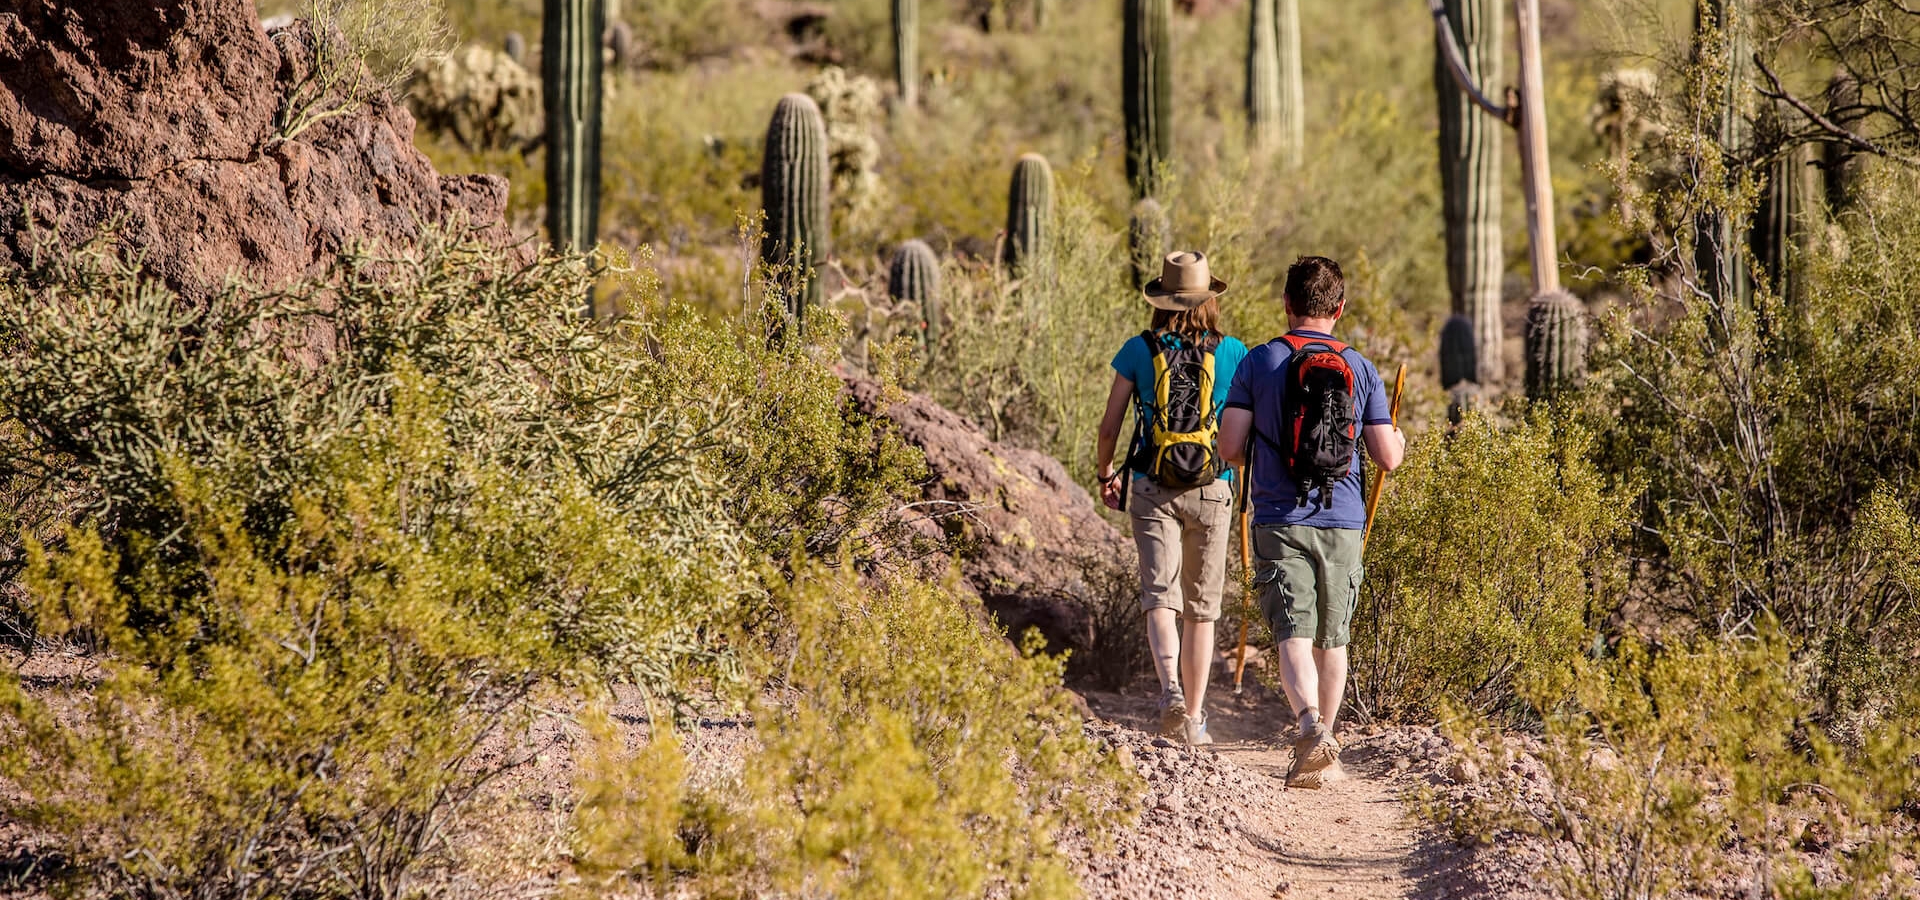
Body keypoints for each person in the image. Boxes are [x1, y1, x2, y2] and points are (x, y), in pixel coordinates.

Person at [1219, 255, 1405, 786]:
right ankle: (1326, 748)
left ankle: (1309, 728)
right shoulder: (1361, 367)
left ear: (1287, 304)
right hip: (1343, 519)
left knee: (1292, 632)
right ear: (1339, 308)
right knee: (1333, 636)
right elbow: (1387, 457)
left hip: (1278, 516)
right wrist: (1400, 441)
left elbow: (1231, 448)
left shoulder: (1258, 362)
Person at [1095, 251, 1249, 746]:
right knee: (1202, 608)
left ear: (1160, 299)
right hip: (1213, 486)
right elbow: (1246, 426)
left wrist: (1105, 473)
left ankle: (1170, 694)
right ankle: (1197, 718)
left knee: (1161, 596)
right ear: (1209, 300)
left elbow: (1110, 424)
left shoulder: (1138, 350)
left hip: (1151, 483)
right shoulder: (1234, 353)